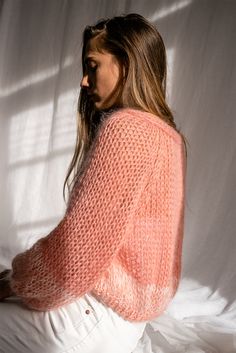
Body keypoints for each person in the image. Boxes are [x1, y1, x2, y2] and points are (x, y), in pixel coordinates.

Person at [0, 13, 187, 353]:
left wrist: (16, 281)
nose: (84, 81)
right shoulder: (169, 137)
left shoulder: (127, 129)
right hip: (127, 323)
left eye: (92, 65)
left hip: (92, 319)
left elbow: (75, 256)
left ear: (126, 62)